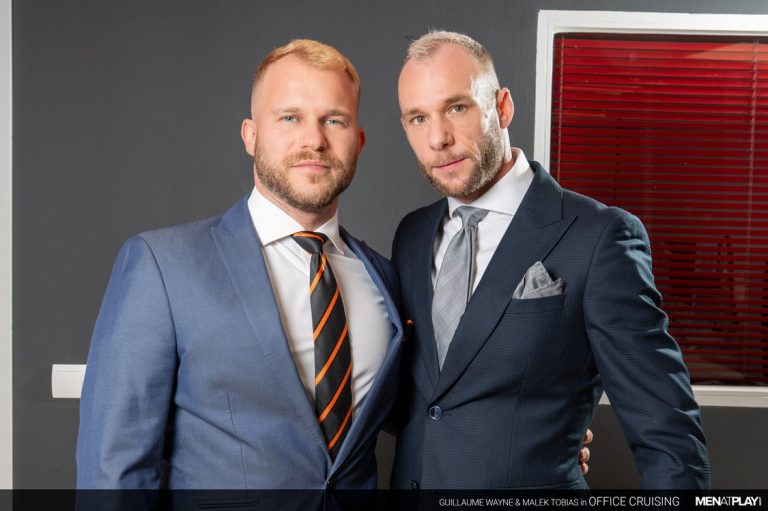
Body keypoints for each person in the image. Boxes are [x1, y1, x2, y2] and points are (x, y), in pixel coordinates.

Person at [76, 39, 405, 489]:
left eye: (334, 120)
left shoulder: (383, 277)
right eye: (290, 118)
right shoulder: (162, 267)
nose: (314, 139)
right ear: (251, 135)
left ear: (359, 141)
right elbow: (113, 467)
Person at [390, 31, 710, 490]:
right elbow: (429, 396)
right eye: (419, 118)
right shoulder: (413, 236)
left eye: (457, 108)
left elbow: (669, 437)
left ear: (502, 107)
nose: (438, 138)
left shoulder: (599, 237)